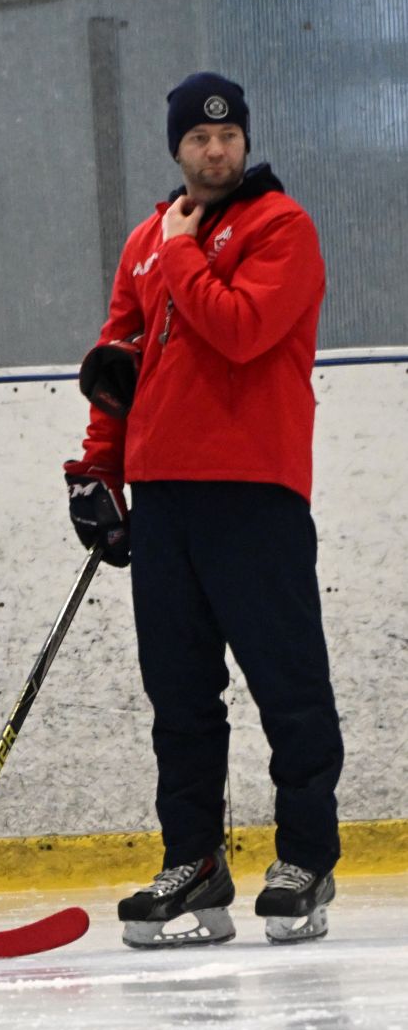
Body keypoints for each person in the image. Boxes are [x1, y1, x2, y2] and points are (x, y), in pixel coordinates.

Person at [63, 71, 340, 948]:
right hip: (165, 498)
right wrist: (95, 470)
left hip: (253, 491)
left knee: (287, 688)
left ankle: (304, 858)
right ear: (176, 146)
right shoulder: (146, 237)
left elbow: (241, 330)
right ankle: (194, 863)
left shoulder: (280, 228)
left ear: (244, 142)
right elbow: (120, 359)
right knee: (178, 696)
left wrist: (182, 253)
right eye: (197, 139)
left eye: (227, 137)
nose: (214, 150)